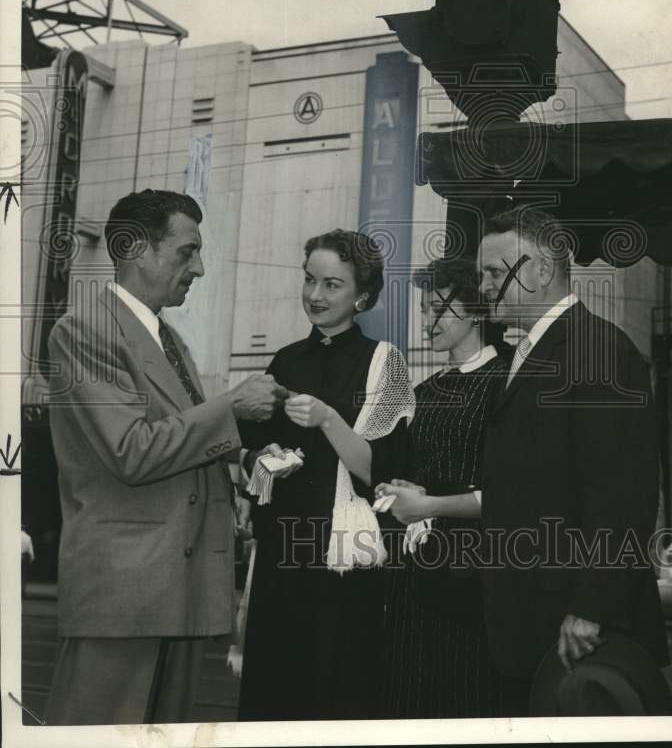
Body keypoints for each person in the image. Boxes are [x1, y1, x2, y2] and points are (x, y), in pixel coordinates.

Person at [44, 189, 283, 725]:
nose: (198, 267)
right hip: (125, 593)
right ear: (134, 249)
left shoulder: (172, 341)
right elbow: (132, 451)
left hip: (180, 590)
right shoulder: (83, 330)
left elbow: (184, 442)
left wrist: (245, 462)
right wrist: (231, 408)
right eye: (186, 251)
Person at [476, 206, 669, 716]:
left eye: (496, 272)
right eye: (482, 274)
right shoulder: (525, 354)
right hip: (529, 621)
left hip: (576, 632)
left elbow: (623, 496)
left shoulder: (600, 350)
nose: (483, 286)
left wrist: (591, 607)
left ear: (541, 270)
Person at [237, 229, 414, 721]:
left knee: (336, 688)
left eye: (332, 284)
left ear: (362, 294)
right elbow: (248, 455)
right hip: (281, 551)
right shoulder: (286, 360)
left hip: (344, 559)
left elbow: (383, 473)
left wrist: (329, 419)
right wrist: (262, 458)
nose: (315, 295)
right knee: (275, 689)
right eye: (310, 280)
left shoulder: (386, 362)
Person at [378, 257, 509, 718]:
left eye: (438, 308)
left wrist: (428, 505)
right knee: (413, 695)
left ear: (476, 311)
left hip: (475, 576)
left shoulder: (508, 381)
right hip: (417, 575)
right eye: (422, 308)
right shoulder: (426, 390)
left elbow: (515, 492)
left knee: (468, 696)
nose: (427, 320)